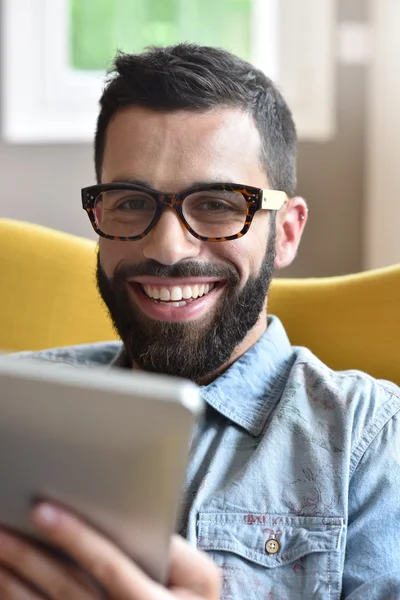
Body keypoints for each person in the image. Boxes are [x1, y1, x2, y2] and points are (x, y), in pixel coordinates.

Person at [4, 43, 400, 599]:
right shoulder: (14, 408)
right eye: (130, 201)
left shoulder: (370, 438)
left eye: (217, 204)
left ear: (285, 232)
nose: (167, 248)